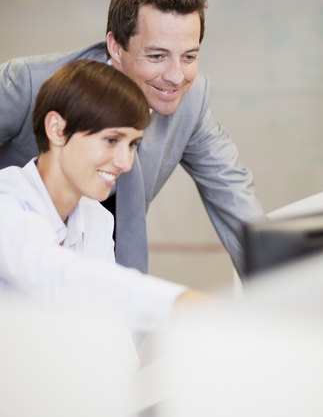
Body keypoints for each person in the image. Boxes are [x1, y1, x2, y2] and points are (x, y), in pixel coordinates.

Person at [0, 0, 265, 276]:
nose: (176, 77)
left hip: (97, 272)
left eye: (189, 57)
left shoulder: (190, 100)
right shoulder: (31, 83)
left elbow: (233, 193)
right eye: (157, 56)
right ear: (115, 46)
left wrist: (283, 282)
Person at [0, 59, 202, 336]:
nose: (125, 162)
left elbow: (110, 328)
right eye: (111, 140)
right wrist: (178, 303)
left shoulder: (97, 219)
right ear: (57, 129)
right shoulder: (6, 201)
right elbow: (58, 276)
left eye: (132, 144)